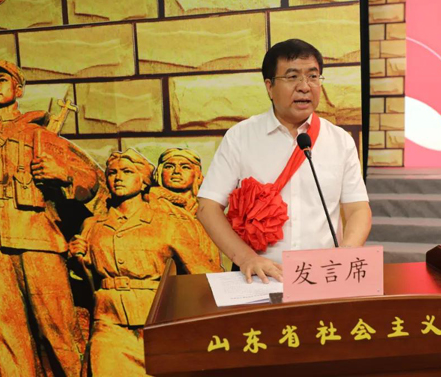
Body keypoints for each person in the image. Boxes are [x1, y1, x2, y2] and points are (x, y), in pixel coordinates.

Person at [197, 39, 372, 283]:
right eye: (292, 77)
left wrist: (348, 252)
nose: (305, 87)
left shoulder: (339, 140)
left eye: (313, 76)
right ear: (269, 87)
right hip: (260, 279)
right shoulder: (241, 137)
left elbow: (358, 210)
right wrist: (246, 258)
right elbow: (207, 207)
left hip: (323, 278)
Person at [0, 59, 99, 376]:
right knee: (3, 329)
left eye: (1, 79)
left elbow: (90, 178)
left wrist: (63, 175)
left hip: (36, 237)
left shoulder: (38, 134)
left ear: (18, 89)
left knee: (56, 325)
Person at [69, 149, 219, 376]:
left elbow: (202, 271)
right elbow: (87, 284)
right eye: (112, 173)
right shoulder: (92, 225)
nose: (118, 177)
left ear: (144, 181)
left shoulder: (166, 223)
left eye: (127, 172)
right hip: (109, 322)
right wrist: (79, 261)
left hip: (157, 320)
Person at [149, 148, 224, 270]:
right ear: (160, 172)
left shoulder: (205, 209)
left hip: (207, 275)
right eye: (169, 166)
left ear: (197, 174)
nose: (176, 171)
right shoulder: (153, 205)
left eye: (185, 167)